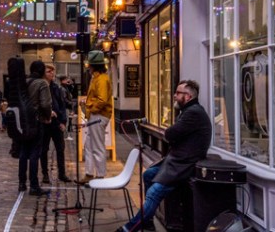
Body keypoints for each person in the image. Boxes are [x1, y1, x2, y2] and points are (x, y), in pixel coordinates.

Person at [116, 80, 212, 232]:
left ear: (187, 96)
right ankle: (147, 221)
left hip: (183, 166)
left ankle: (128, 228)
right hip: (175, 161)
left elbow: (170, 134)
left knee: (154, 192)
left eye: (178, 93)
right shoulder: (189, 110)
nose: (174, 96)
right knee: (148, 175)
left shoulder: (193, 113)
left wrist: (172, 133)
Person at [77, 50, 113, 185]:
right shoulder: (97, 78)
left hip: (98, 115)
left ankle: (100, 176)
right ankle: (89, 173)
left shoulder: (102, 79)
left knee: (96, 146)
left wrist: (90, 108)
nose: (88, 67)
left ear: (94, 65)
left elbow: (102, 100)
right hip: (96, 115)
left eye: (89, 64)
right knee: (89, 145)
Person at [19, 60, 52, 196]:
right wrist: (48, 116)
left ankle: (21, 183)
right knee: (34, 153)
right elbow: (45, 104)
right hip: (36, 121)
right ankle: (34, 185)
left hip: (23, 122)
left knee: (23, 152)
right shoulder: (42, 83)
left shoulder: (24, 82)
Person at [40, 64, 71, 184]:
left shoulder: (56, 88)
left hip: (57, 123)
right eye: (49, 72)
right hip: (45, 123)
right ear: (44, 73)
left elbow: (62, 105)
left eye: (53, 72)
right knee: (44, 149)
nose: (52, 74)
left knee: (60, 149)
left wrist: (63, 122)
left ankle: (62, 173)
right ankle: (45, 174)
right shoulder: (41, 86)